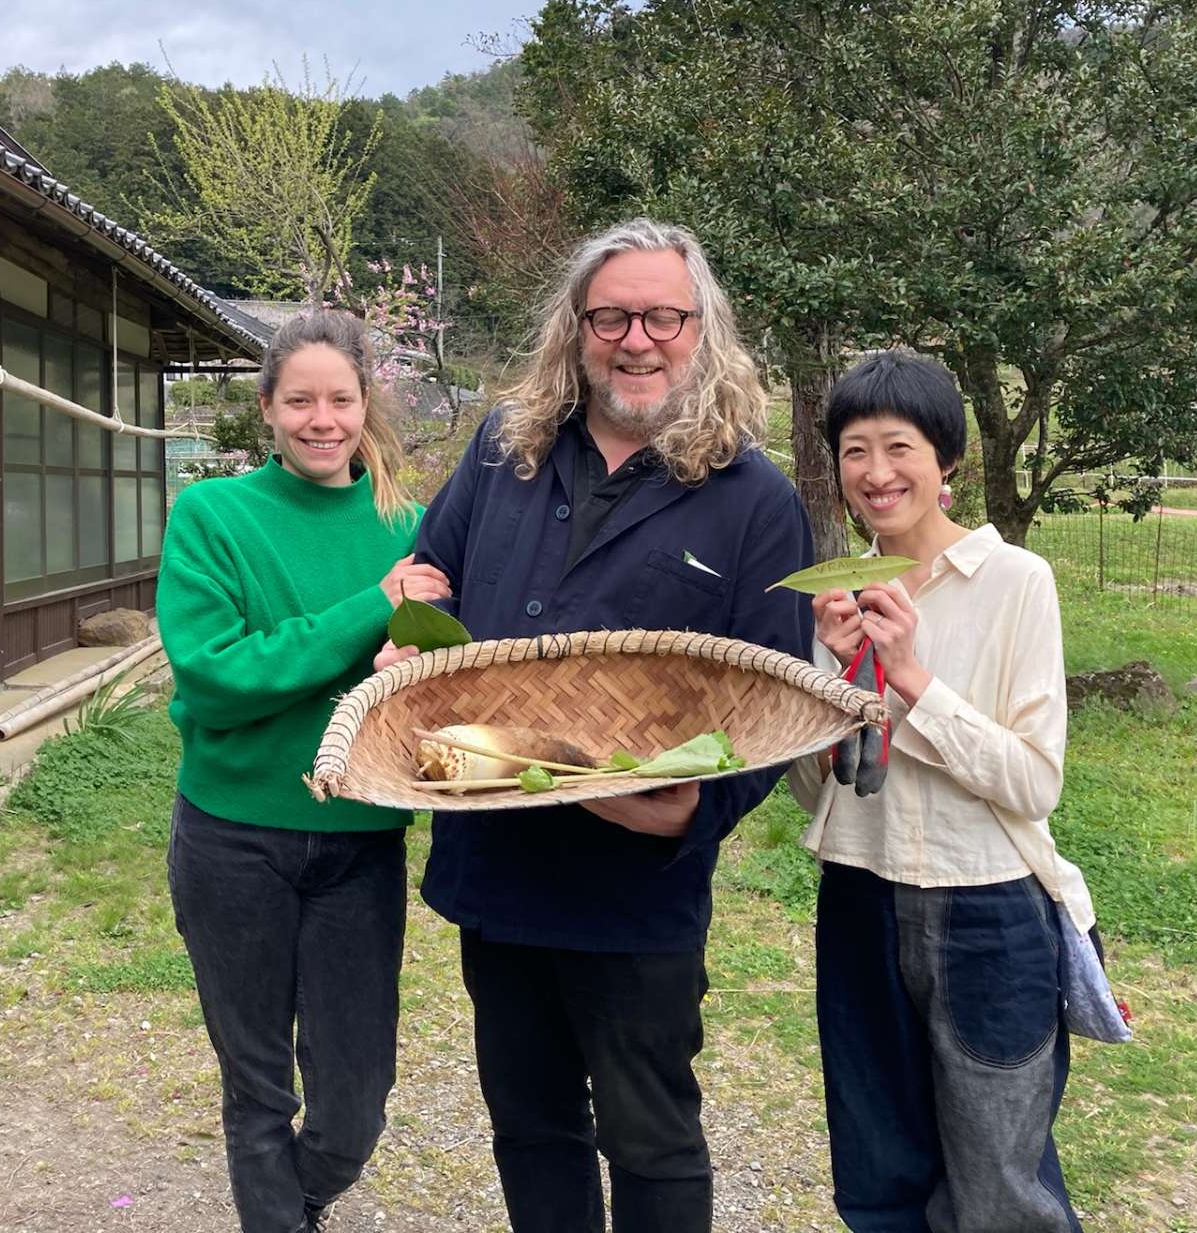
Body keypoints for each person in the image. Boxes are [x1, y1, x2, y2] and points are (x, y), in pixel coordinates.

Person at [377, 217, 815, 1233]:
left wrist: (688, 817)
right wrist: (405, 616)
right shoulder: (504, 452)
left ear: (702, 331)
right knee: (530, 1127)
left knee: (650, 1137)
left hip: (636, 891)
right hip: (500, 865)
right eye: (612, 315)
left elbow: (777, 699)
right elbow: (425, 579)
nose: (638, 339)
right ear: (575, 330)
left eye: (664, 316)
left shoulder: (753, 500)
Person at [156, 309, 450, 1233]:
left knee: (354, 1106)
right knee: (256, 1086)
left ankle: (300, 1195)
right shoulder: (213, 515)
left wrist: (411, 670)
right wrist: (372, 611)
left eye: (340, 399)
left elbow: (442, 671)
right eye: (300, 401)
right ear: (267, 408)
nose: (321, 420)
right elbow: (215, 679)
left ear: (368, 404)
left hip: (359, 836)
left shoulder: (409, 526)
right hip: (231, 835)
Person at [787, 349, 1094, 1233]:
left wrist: (911, 677)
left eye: (898, 447)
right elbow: (824, 797)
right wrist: (835, 680)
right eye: (853, 451)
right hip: (858, 894)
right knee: (878, 1165)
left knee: (999, 1179)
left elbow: (1034, 782)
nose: (876, 474)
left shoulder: (1014, 583)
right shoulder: (836, 593)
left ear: (946, 459)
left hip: (987, 908)